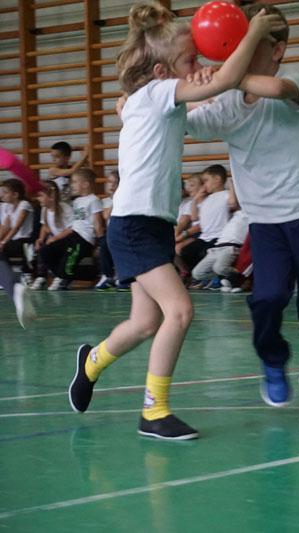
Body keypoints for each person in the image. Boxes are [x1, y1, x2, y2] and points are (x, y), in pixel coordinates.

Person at [67, 2, 275, 440]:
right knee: (179, 310)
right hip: (133, 224)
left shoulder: (151, 99)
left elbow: (211, 91)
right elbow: (223, 81)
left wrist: (200, 77)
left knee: (145, 323)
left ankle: (91, 363)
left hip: (154, 224)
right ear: (162, 71)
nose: (197, 67)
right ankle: (154, 411)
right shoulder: (156, 93)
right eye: (190, 60)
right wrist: (253, 34)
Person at [185, 3, 299, 413]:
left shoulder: (295, 81)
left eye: (254, 42)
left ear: (278, 50)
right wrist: (181, 85)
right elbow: (186, 120)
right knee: (268, 298)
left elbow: (277, 89)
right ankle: (273, 360)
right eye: (240, 42)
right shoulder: (227, 103)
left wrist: (223, 76)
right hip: (266, 222)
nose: (243, 49)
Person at [40, 168, 104, 291]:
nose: (72, 185)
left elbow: (98, 223)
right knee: (46, 251)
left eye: (74, 182)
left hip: (84, 239)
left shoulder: (94, 200)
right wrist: (55, 238)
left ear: (85, 184)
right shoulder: (77, 201)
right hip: (73, 235)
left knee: (69, 257)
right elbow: (73, 224)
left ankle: (62, 277)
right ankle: (67, 275)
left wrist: (100, 243)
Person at [0, 147, 41, 328]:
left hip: (24, 241)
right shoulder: (6, 208)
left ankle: (15, 286)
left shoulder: (23, 205)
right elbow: (11, 162)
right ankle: (14, 288)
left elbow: (13, 226)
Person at [191, 180, 249, 290]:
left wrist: (232, 185)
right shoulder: (236, 212)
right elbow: (232, 203)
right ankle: (224, 278)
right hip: (217, 247)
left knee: (219, 268)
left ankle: (241, 277)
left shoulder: (252, 216)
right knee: (197, 273)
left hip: (231, 246)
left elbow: (232, 202)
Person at [180, 164, 231, 281]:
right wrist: (195, 199)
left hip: (219, 236)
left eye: (206, 181)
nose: (204, 185)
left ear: (217, 179)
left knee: (204, 253)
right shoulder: (207, 199)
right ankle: (202, 278)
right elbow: (194, 218)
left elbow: (233, 205)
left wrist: (232, 187)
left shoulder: (226, 195)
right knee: (186, 252)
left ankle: (216, 278)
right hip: (205, 237)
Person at [30, 181, 73, 290]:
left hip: (67, 240)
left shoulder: (65, 208)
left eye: (41, 196)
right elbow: (44, 226)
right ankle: (42, 276)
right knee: (41, 248)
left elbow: (71, 229)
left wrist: (55, 238)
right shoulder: (44, 210)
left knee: (49, 250)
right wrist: (40, 238)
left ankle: (61, 276)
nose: (38, 198)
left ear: (52, 196)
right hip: (55, 240)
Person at [0, 179, 35, 279]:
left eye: (5, 192)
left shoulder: (24, 205)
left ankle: (27, 274)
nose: (2, 195)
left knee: (25, 248)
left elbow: (16, 227)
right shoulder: (7, 206)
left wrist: (3, 242)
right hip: (13, 240)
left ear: (15, 195)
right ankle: (6, 276)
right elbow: (5, 227)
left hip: (26, 240)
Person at [95, 170, 121, 290]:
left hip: (122, 233)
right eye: (110, 182)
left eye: (116, 183)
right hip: (111, 233)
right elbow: (106, 215)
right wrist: (116, 200)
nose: (112, 185)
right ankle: (107, 275)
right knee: (104, 244)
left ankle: (120, 275)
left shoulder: (125, 200)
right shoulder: (105, 201)